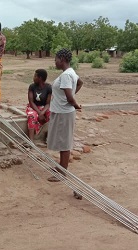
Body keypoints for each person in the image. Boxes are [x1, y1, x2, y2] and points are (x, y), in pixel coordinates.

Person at [46, 48, 83, 199]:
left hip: (64, 113)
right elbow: (80, 83)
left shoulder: (67, 75)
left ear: (62, 59)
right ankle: (61, 167)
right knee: (62, 141)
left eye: (56, 59)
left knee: (64, 143)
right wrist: (71, 100)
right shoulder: (70, 73)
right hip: (62, 111)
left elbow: (69, 96)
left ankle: (63, 172)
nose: (54, 61)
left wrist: (75, 104)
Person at [26, 69, 52, 140]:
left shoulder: (48, 87)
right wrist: (39, 113)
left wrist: (42, 112)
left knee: (52, 115)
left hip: (44, 107)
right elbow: (31, 102)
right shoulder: (32, 87)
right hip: (33, 107)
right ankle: (31, 140)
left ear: (40, 78)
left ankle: (48, 137)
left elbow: (48, 103)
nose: (33, 78)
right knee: (32, 116)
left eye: (35, 76)